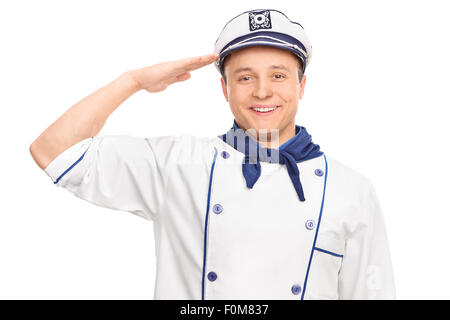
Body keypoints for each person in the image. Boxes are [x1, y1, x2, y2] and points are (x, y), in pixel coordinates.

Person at [29, 8, 395, 300]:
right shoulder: (179, 165)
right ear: (225, 87)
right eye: (245, 77)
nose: (263, 92)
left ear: (302, 85)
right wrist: (134, 81)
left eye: (279, 76)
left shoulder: (352, 190)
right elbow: (53, 151)